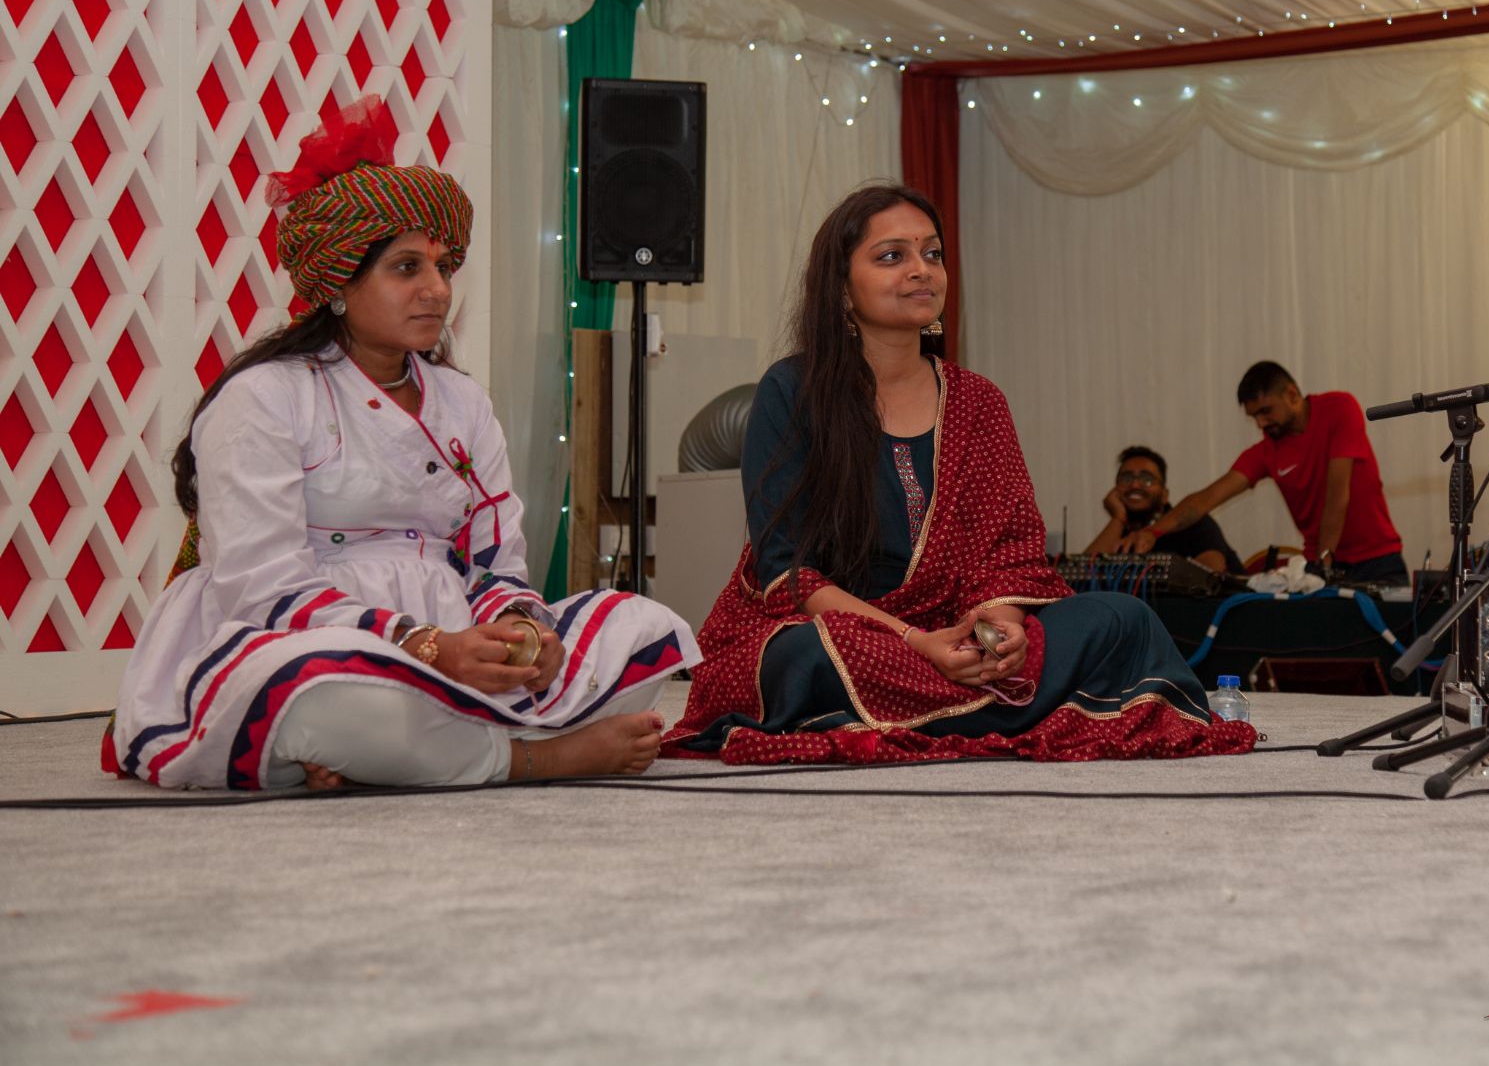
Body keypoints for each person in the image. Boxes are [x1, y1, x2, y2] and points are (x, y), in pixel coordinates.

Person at [108, 97, 698, 791]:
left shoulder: (463, 400)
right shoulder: (263, 397)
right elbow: (259, 587)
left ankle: (402, 752)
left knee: (643, 625)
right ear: (337, 281)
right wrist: (423, 646)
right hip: (305, 640)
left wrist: (519, 634)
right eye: (407, 267)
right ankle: (534, 756)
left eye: (445, 267)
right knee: (323, 689)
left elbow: (494, 558)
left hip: (455, 643)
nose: (438, 290)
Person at [664, 184, 1254, 765]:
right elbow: (784, 571)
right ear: (841, 289)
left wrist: (998, 632)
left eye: (932, 253)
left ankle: (959, 701)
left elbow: (1009, 553)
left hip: (959, 632)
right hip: (850, 630)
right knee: (802, 657)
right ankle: (1006, 708)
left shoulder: (977, 400)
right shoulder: (793, 390)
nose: (922, 270)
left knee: (1122, 619)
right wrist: (917, 642)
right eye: (892, 255)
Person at [1122, 362, 1406, 585]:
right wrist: (1153, 531)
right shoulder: (1265, 452)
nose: (1261, 422)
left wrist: (1323, 566)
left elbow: (1337, 495)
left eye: (1266, 411)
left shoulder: (1339, 408)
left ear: (1292, 395)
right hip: (1320, 567)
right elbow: (1205, 500)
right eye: (1254, 416)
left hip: (1377, 561)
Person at [1080, 445, 1244, 574]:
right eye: (1126, 478)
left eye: (1147, 479)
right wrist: (1118, 518)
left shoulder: (1191, 521)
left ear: (1165, 495)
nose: (1135, 485)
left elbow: (1211, 573)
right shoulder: (1120, 532)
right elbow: (1079, 577)